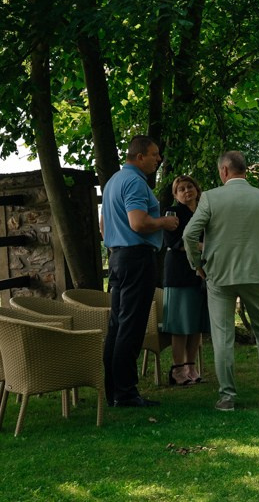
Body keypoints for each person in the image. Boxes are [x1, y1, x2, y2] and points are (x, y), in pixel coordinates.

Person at [183, 151, 259, 411]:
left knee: (222, 336)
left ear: (224, 171)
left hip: (218, 274)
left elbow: (188, 235)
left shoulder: (210, 198)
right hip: (255, 273)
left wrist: (198, 264)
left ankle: (227, 396)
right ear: (244, 171)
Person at [100, 135, 178, 408]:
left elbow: (103, 225)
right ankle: (126, 393)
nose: (159, 159)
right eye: (155, 154)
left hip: (118, 258)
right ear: (140, 156)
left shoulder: (113, 182)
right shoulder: (134, 182)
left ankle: (113, 390)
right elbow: (138, 223)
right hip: (135, 259)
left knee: (117, 325)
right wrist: (164, 222)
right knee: (131, 326)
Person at [163, 175, 209, 386]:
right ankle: (177, 369)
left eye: (190, 186)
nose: (186, 191)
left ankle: (191, 366)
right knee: (181, 324)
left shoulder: (204, 211)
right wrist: (199, 246)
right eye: (181, 189)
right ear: (175, 195)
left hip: (201, 273)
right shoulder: (173, 214)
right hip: (179, 273)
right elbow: (173, 242)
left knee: (196, 323)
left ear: (197, 189)